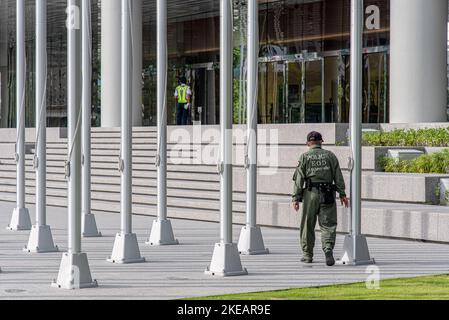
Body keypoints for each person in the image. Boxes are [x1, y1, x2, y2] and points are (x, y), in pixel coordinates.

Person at [292, 131, 349, 266]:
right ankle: (328, 250)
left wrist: (296, 198)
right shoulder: (330, 156)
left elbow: (299, 179)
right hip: (328, 193)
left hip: (310, 194)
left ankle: (307, 255)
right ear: (321, 142)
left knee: (307, 224)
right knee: (328, 224)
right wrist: (342, 194)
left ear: (308, 143)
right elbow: (338, 176)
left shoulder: (305, 157)